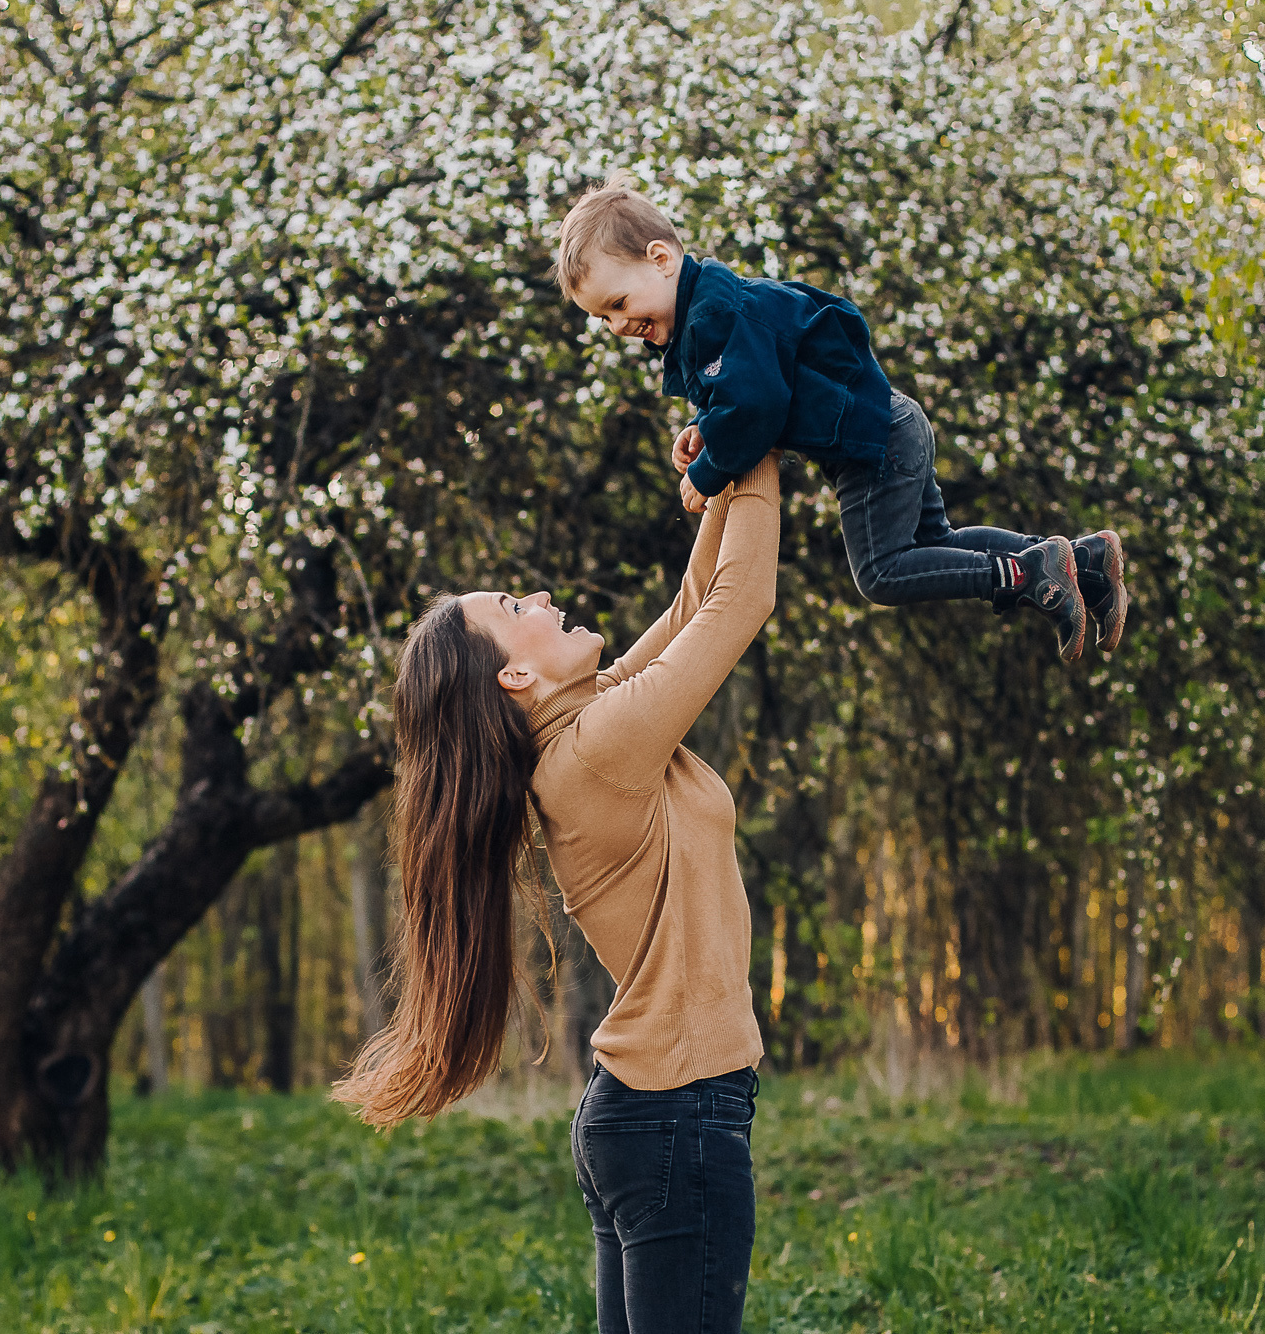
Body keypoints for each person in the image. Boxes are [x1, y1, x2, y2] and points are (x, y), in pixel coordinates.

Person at [335, 452, 786, 1334]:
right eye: (515, 611)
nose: (539, 598)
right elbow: (743, 604)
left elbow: (697, 604)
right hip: (675, 1120)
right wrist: (763, 450)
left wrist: (729, 470)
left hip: (653, 1116)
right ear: (515, 678)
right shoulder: (600, 752)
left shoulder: (593, 728)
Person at [554, 171, 1128, 662]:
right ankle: (1086, 563)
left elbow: (757, 406)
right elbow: (751, 388)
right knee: (935, 542)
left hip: (874, 441)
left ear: (661, 259)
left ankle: (1028, 576)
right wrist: (708, 426)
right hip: (891, 423)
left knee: (882, 572)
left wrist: (705, 475)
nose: (619, 326)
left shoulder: (715, 318)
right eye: (603, 318)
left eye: (619, 304)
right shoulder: (716, 315)